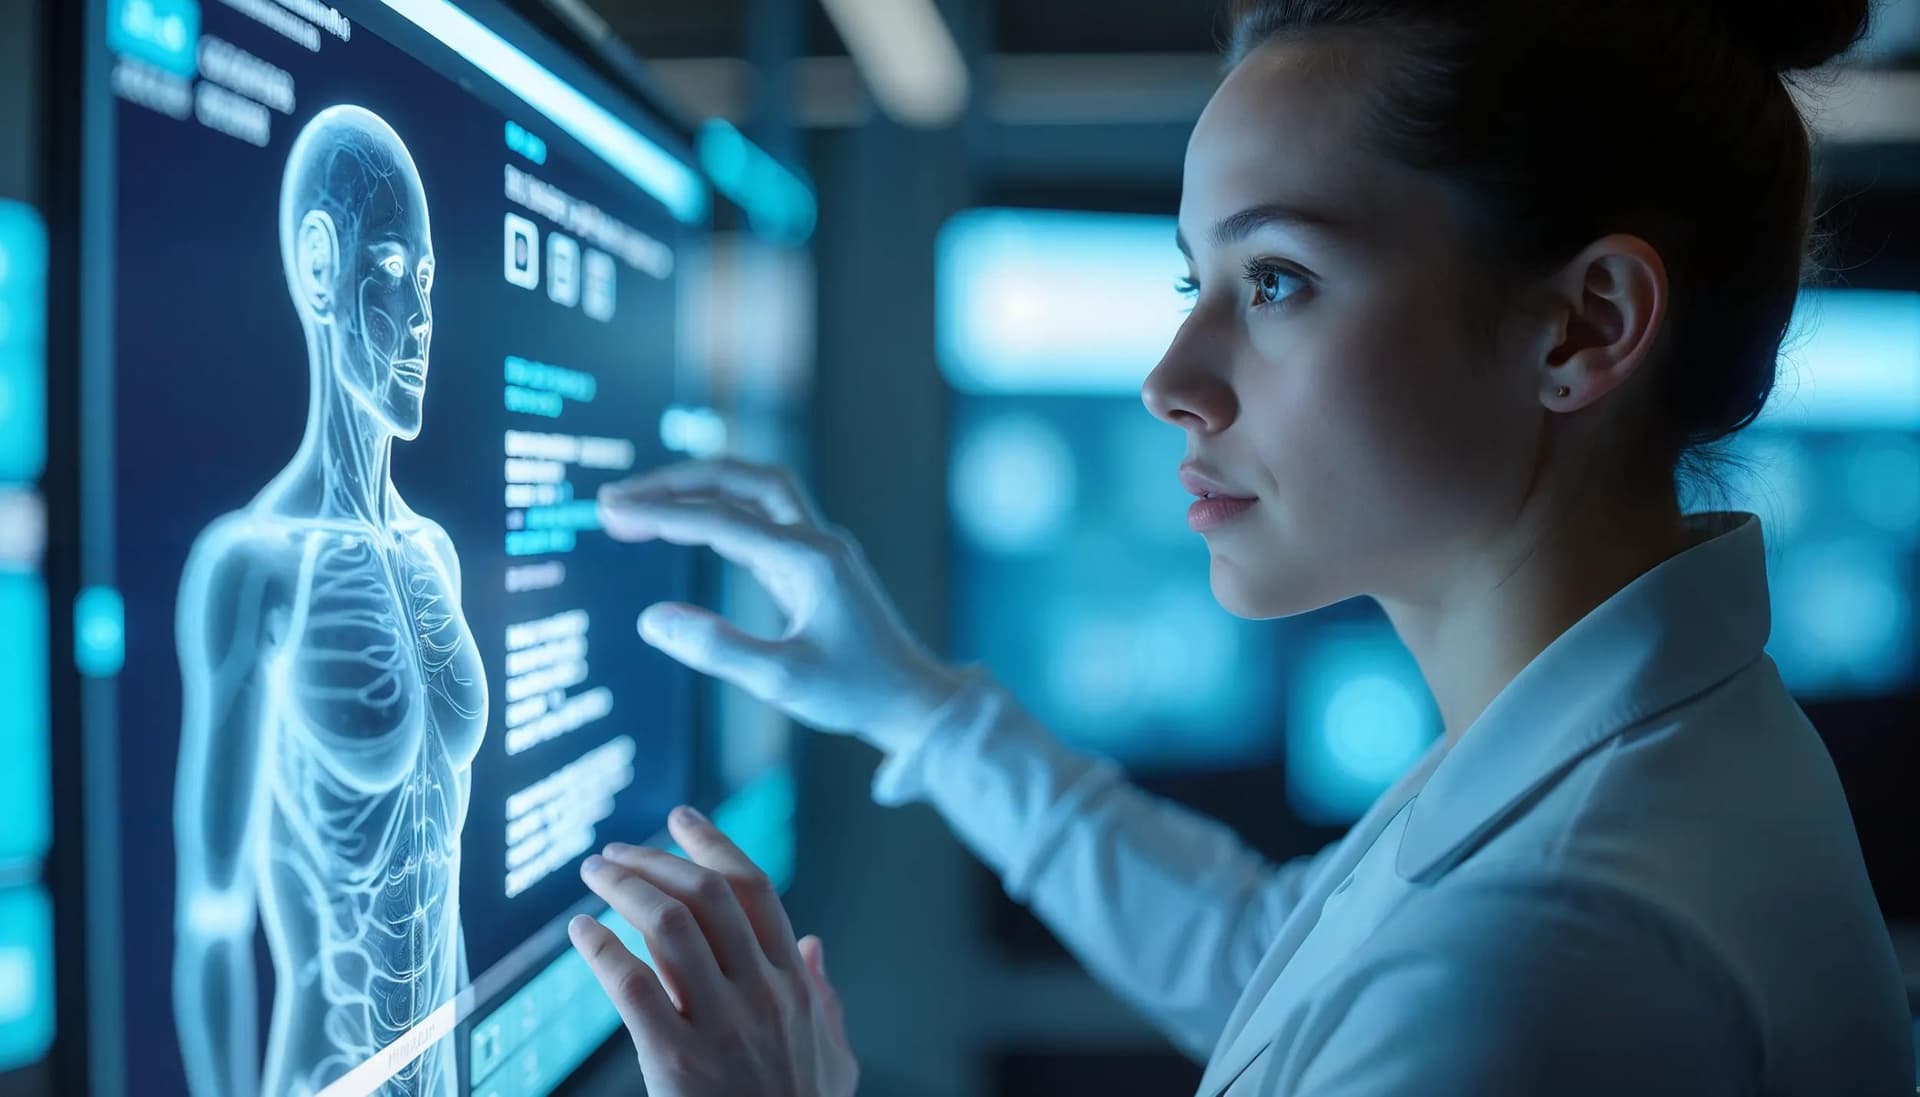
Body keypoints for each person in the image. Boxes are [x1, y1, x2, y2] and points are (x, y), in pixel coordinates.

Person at [564, 1, 1916, 1094]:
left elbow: (1414, 987)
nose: (1171, 377)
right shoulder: (1595, 758)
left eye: (1275, 280)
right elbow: (1278, 957)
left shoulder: (1558, 950)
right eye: (1190, 281)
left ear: (1584, 326)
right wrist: (916, 703)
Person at [174, 105, 486, 1097]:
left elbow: (447, 889)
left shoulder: (435, 553)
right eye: (392, 271)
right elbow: (214, 919)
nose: (424, 320)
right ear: (321, 270)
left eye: (429, 282)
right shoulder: (255, 566)